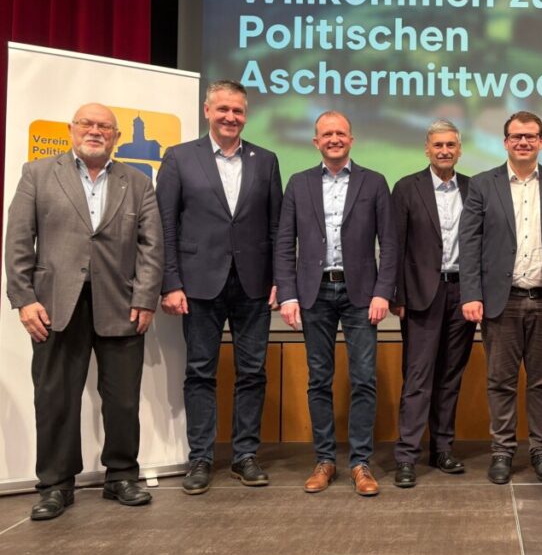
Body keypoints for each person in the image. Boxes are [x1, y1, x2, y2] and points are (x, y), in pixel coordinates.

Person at [5, 103, 163, 519]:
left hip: (122, 305)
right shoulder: (38, 174)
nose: (95, 131)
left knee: (123, 399)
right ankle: (55, 485)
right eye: (87, 124)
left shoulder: (137, 182)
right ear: (71, 130)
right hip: (54, 305)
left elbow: (152, 246)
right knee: (55, 398)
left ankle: (122, 476)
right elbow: (18, 240)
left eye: (104, 127)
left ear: (116, 136)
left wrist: (145, 297)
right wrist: (24, 299)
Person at [156, 80, 283, 494]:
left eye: (238, 111)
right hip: (197, 284)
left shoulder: (266, 160)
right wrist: (170, 282)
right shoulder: (179, 157)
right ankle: (201, 458)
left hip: (254, 285)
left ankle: (245, 455)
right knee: (199, 372)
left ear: (246, 115)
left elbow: (277, 228)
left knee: (253, 372)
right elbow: (165, 226)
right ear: (207, 110)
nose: (231, 117)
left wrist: (280, 280)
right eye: (223, 109)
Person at [275, 110, 397, 496]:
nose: (334, 139)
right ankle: (324, 460)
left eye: (341, 133)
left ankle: (361, 463)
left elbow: (390, 243)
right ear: (316, 142)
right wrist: (288, 293)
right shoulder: (298, 183)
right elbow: (284, 242)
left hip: (361, 295)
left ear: (351, 139)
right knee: (318, 379)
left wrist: (383, 291)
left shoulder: (374, 182)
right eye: (327, 134)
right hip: (314, 294)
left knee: (364, 379)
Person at [459, 111, 542, 485]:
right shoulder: (482, 184)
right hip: (500, 301)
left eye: (530, 136)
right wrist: (471, 293)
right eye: (516, 136)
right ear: (505, 142)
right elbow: (469, 243)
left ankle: (541, 450)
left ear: (541, 142)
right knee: (500, 381)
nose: (523, 142)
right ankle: (502, 452)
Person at [390, 120, 476, 488]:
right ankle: (406, 456)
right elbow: (394, 245)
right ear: (427, 149)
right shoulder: (406, 188)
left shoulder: (474, 188)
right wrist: (397, 295)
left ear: (459, 149)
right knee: (418, 377)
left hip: (463, 295)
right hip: (421, 296)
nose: (444, 151)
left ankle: (442, 449)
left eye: (450, 145)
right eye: (438, 145)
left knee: (450, 376)